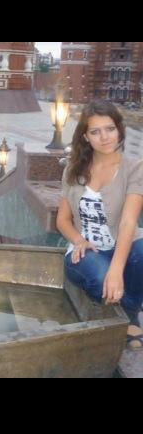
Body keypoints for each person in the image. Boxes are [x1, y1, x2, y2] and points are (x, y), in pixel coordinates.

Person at [56, 99, 143, 351]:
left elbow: (128, 221)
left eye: (110, 129)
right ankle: (127, 306)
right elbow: (62, 219)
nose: (104, 137)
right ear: (85, 136)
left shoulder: (135, 168)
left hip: (123, 243)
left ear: (119, 129)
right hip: (86, 250)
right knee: (100, 275)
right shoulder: (73, 170)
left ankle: (129, 310)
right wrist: (79, 240)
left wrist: (117, 268)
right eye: (95, 131)